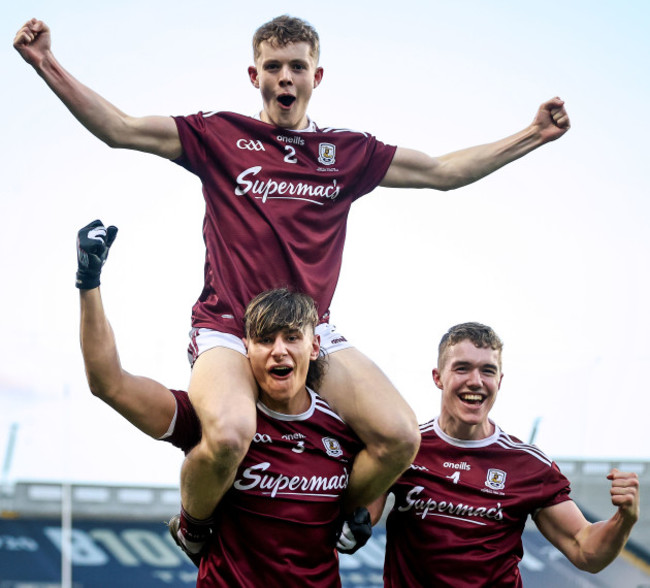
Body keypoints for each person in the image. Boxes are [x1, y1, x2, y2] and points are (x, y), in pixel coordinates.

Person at [15, 15, 571, 549]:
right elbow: (121, 130)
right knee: (230, 434)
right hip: (230, 331)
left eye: (298, 66)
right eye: (274, 66)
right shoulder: (219, 136)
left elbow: (443, 173)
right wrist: (45, 62)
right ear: (254, 76)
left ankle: (341, 518)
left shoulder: (347, 154)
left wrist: (534, 134)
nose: (286, 77)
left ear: (316, 77)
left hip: (314, 333)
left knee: (400, 436)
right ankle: (192, 527)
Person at [75, 218, 373, 585]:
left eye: (292, 338)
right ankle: (190, 528)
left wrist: (364, 519)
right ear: (245, 348)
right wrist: (89, 283)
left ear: (314, 347)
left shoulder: (345, 429)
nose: (279, 351)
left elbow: (378, 485)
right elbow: (109, 383)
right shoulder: (215, 420)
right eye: (265, 340)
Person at [369, 322, 640, 587]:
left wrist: (624, 519)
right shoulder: (403, 448)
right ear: (438, 377)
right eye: (462, 368)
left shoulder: (529, 466)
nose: (475, 381)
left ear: (499, 380)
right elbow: (358, 519)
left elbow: (586, 550)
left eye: (487, 371)